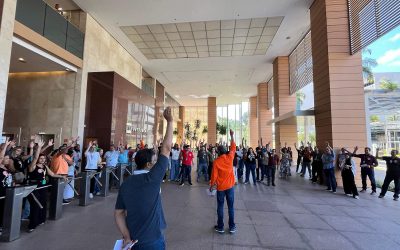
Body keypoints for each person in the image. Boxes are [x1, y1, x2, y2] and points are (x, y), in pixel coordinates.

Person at [114, 107, 173, 250]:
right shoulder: (153, 179)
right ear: (148, 164)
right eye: (154, 160)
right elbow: (166, 149)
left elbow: (119, 213)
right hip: (153, 241)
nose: (156, 161)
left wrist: (127, 237)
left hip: (132, 242)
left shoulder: (126, 183)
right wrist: (170, 121)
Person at [27, 139, 66, 232]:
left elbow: (52, 174)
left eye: (44, 159)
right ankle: (32, 224)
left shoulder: (45, 166)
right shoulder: (32, 166)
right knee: (35, 205)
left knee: (43, 202)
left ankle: (41, 219)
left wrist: (61, 176)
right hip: (34, 187)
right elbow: (35, 158)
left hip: (43, 187)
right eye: (41, 158)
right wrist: (40, 147)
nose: (42, 160)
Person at [210, 129, 236, 234]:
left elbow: (214, 176)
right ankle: (232, 227)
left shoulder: (216, 162)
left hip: (220, 188)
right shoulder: (230, 157)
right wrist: (232, 136)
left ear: (218, 152)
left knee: (220, 207)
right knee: (231, 207)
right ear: (225, 150)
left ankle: (220, 227)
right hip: (230, 187)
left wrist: (212, 185)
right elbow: (233, 146)